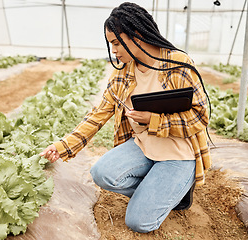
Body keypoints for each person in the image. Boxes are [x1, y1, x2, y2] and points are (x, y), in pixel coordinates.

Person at [40, 2, 211, 233]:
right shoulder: (123, 71)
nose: (114, 51)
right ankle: (158, 192)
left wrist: (153, 120)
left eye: (117, 43)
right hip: (142, 145)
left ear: (137, 35)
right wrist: (63, 146)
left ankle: (177, 193)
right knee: (101, 173)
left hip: (177, 153)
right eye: (111, 44)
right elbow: (98, 114)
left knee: (139, 222)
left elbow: (200, 117)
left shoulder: (176, 64)